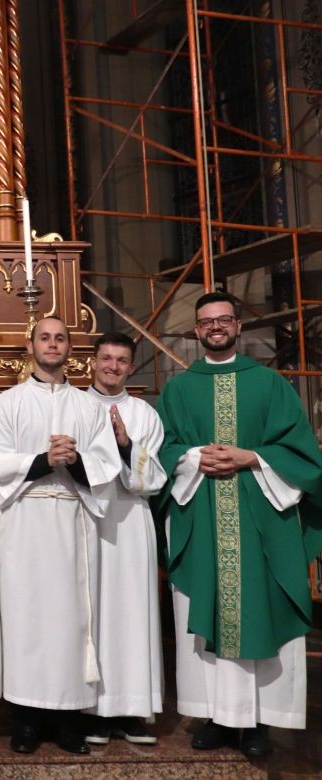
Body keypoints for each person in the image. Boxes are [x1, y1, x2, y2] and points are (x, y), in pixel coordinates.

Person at [157, 291, 322, 758]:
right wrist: (193, 457)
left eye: (224, 319)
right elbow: (162, 449)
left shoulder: (270, 384)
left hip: (260, 519)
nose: (216, 326)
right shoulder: (178, 389)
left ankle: (259, 724)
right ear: (196, 330)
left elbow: (302, 452)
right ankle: (217, 717)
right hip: (201, 517)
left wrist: (253, 457)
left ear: (237, 326)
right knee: (207, 609)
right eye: (207, 321)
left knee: (259, 610)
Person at [0, 316, 121, 755]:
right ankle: (26, 720)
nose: (52, 344)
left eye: (60, 338)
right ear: (30, 346)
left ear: (69, 348)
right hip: (25, 519)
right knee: (25, 617)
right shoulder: (8, 403)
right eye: (44, 337)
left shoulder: (88, 407)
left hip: (71, 520)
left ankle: (67, 721)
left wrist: (75, 461)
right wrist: (45, 460)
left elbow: (106, 466)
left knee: (71, 621)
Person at [82, 332, 166, 745]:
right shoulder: (75, 406)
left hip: (130, 519)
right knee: (91, 612)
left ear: (131, 368)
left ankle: (131, 710)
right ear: (92, 362)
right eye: (106, 358)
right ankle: (92, 711)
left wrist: (126, 445)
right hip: (86, 519)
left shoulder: (144, 414)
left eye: (121, 361)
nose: (112, 367)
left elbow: (154, 478)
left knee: (132, 613)